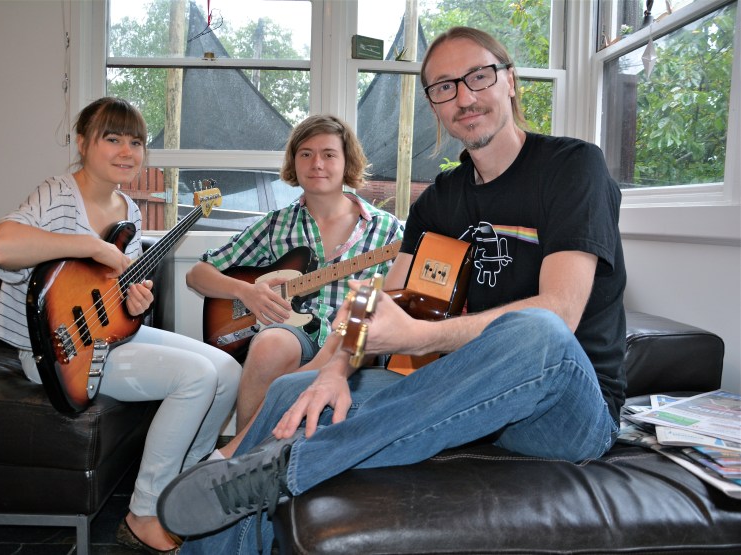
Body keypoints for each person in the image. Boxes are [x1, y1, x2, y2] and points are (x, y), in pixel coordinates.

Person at [157, 26, 627, 555]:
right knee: (294, 392)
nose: (464, 97)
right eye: (444, 87)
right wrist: (335, 370)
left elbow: (562, 313)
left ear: (510, 82)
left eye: (478, 77)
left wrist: (419, 336)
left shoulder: (571, 166)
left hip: (563, 405)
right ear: (434, 106)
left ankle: (295, 466)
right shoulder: (439, 202)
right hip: (468, 396)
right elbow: (379, 304)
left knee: (538, 330)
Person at [0, 97, 241, 554]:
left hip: (110, 336)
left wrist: (136, 300)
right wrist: (91, 245)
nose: (127, 151)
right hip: (56, 350)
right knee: (195, 377)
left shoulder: (129, 208)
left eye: (137, 142)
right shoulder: (58, 192)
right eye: (113, 138)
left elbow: (119, 292)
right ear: (83, 142)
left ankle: (183, 486)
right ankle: (142, 514)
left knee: (227, 371)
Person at [186, 114, 402, 434]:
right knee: (269, 345)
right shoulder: (277, 224)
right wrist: (247, 293)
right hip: (294, 336)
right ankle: (246, 460)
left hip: (352, 344)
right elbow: (197, 274)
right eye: (306, 154)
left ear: (347, 162)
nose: (317, 163)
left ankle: (243, 452)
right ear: (294, 163)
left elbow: (396, 303)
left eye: (329, 154)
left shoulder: (389, 231)